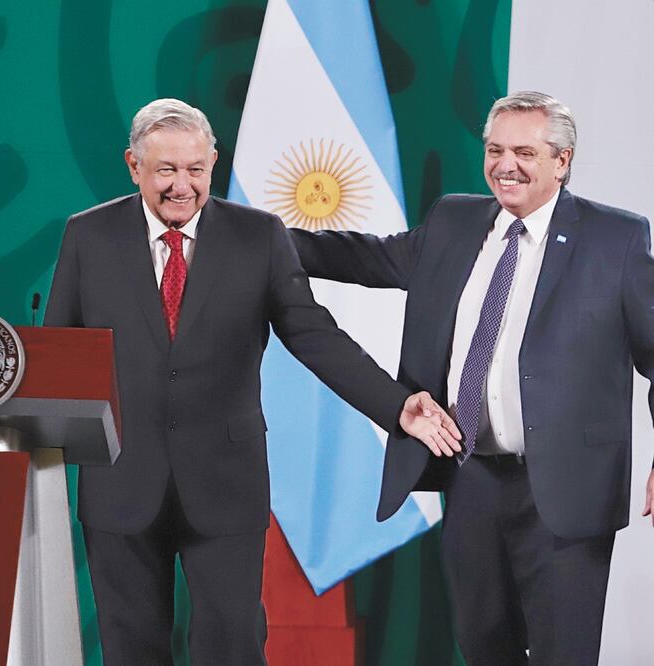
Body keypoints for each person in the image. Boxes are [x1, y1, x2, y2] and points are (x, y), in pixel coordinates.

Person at [44, 98, 460, 665]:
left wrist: (396, 405)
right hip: (119, 479)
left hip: (225, 482)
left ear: (213, 161)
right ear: (133, 165)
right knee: (130, 648)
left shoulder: (257, 237)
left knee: (232, 644)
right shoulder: (87, 236)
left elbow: (314, 335)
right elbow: (58, 356)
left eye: (195, 169)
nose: (182, 185)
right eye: (165, 170)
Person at [290, 90, 654, 665]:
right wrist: (251, 237)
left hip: (566, 487)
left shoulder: (618, 240)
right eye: (494, 150)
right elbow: (363, 258)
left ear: (562, 161)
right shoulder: (454, 220)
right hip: (471, 479)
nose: (505, 165)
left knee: (565, 653)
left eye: (524, 153)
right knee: (484, 646)